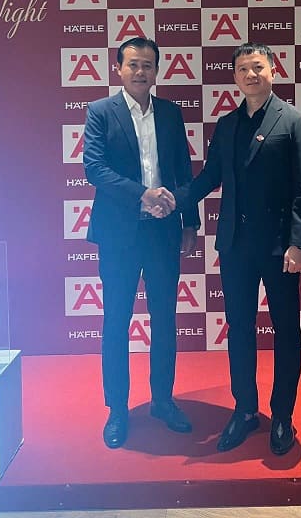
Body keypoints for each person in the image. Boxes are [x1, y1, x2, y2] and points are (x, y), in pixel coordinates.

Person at [174, 41, 301, 455]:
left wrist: (300, 242)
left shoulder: (294, 121)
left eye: (257, 67)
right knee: (239, 329)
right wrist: (175, 200)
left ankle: (283, 416)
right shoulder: (227, 124)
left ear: (273, 70)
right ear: (235, 77)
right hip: (235, 246)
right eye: (242, 69)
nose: (250, 75)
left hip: (280, 248)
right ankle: (245, 409)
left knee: (286, 331)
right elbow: (210, 177)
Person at [83, 36, 199, 449]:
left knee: (164, 320)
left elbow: (183, 170)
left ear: (156, 71)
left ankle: (163, 401)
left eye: (147, 65)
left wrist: (190, 222)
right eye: (133, 64)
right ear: (118, 68)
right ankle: (117, 409)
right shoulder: (101, 111)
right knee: (116, 321)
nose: (140, 71)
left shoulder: (170, 113)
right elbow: (94, 168)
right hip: (119, 234)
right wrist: (142, 195)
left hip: (163, 233)